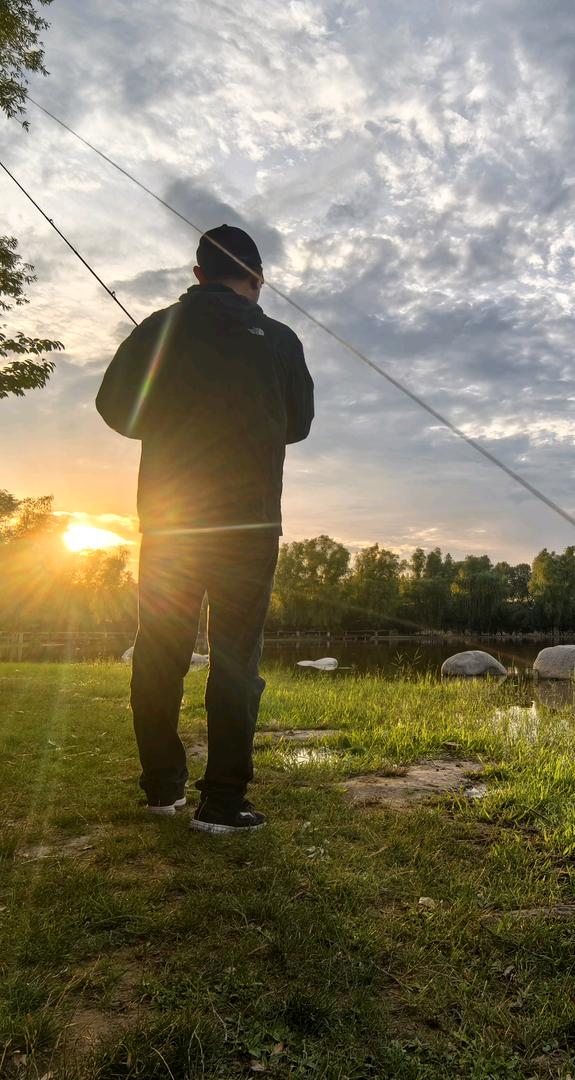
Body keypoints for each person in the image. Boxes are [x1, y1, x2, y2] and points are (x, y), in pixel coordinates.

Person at [96, 225, 314, 833]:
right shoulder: (279, 339)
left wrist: (172, 415)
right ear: (257, 277)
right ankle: (222, 804)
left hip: (171, 521)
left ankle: (163, 790)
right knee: (236, 659)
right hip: (247, 522)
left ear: (197, 275)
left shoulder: (159, 327)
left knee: (160, 652)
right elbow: (298, 423)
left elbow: (114, 407)